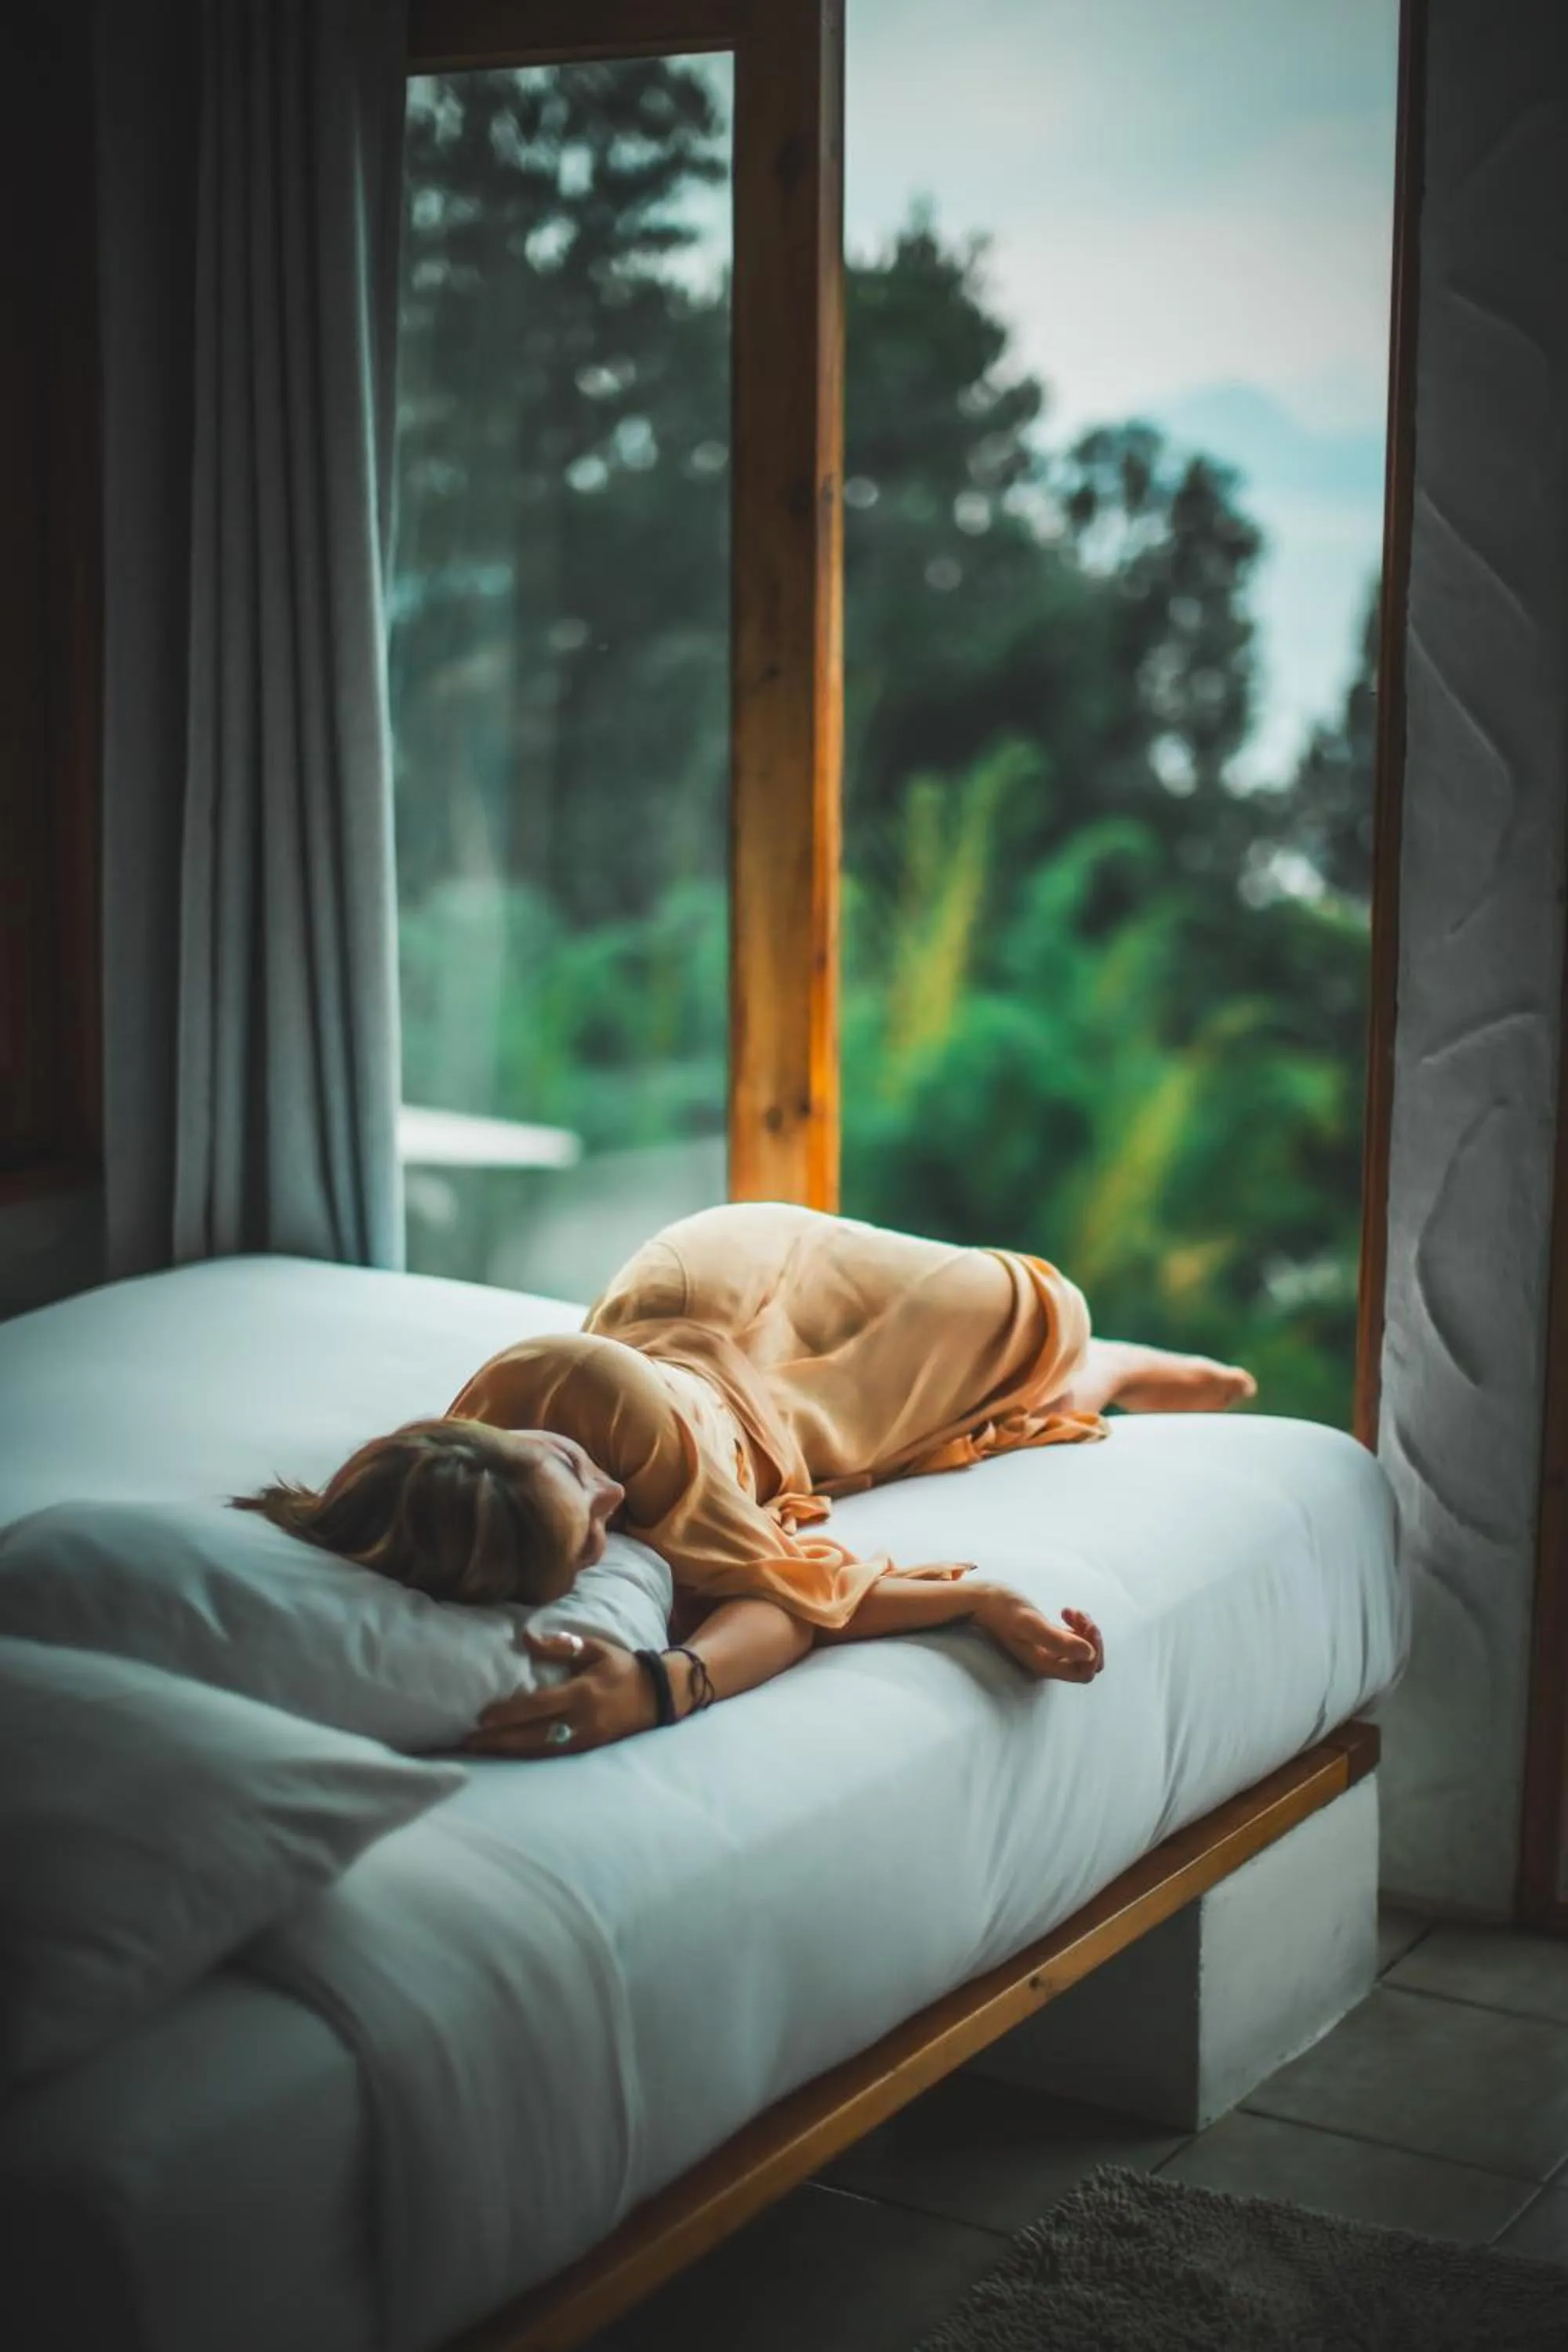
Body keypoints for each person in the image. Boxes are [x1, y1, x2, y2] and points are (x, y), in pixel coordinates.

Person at [234, 1203, 1255, 1759]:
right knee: (931, 1418)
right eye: (588, 1537)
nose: (606, 1508)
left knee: (1040, 1310)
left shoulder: (592, 1396)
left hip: (746, 1306)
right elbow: (772, 1588)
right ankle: (1087, 1383)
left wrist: (661, 1689)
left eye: (574, 1475)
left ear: (493, 1437)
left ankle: (1103, 1362)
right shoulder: (450, 1503)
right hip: (750, 1424)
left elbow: (790, 1595)